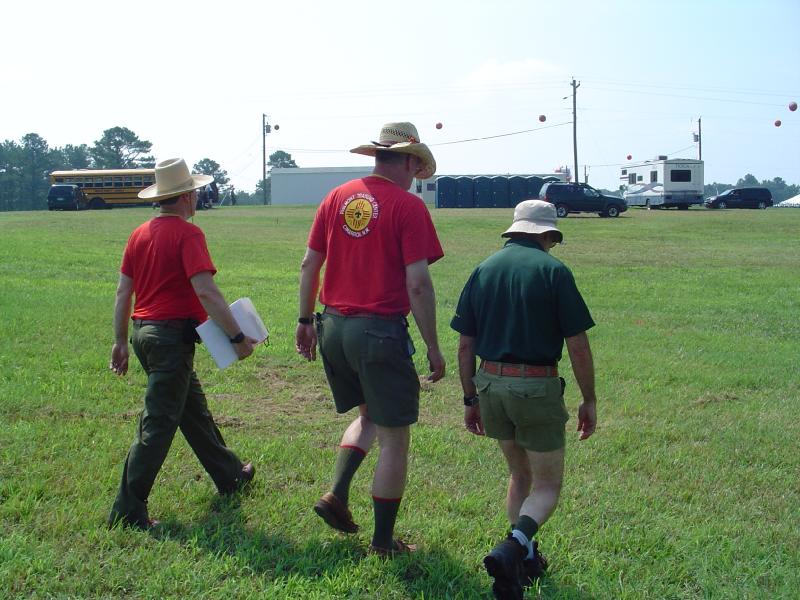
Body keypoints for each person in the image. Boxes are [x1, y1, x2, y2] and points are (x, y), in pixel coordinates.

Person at [295, 122, 446, 557]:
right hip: (378, 331)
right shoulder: (408, 207)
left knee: (369, 414)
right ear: (412, 162)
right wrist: (433, 346)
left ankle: (336, 494)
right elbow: (417, 284)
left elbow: (310, 264)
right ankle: (383, 542)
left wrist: (305, 320)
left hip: (334, 326)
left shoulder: (337, 197)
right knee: (396, 438)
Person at [450, 200, 597, 599]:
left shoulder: (484, 269)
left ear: (513, 231)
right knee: (547, 486)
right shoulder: (554, 271)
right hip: (536, 386)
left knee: (520, 476)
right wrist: (589, 398)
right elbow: (578, 344)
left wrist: (469, 398)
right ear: (548, 235)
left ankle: (524, 562)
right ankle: (514, 548)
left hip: (490, 385)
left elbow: (466, 345)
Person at [108, 157, 260, 530]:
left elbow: (123, 291)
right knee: (157, 424)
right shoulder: (189, 235)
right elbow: (206, 291)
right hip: (171, 339)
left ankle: (230, 475)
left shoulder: (139, 234)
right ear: (188, 197)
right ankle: (128, 511)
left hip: (144, 333)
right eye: (196, 193)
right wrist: (237, 337)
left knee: (192, 410)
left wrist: (119, 342)